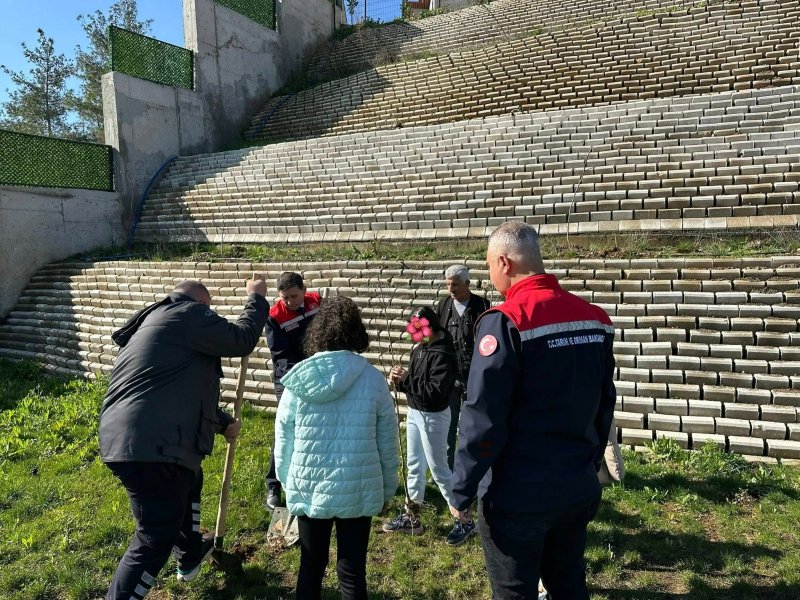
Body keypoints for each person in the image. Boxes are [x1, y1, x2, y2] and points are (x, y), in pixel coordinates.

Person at [449, 221, 616, 599]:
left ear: (504, 263)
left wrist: (461, 489)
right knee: (569, 584)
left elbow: (483, 419)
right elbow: (605, 403)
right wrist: (589, 463)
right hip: (576, 484)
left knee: (514, 591)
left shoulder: (505, 321)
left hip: (518, 494)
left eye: (489, 266)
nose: (490, 276)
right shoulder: (594, 317)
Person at [99, 278, 268, 599]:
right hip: (153, 446)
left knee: (188, 477)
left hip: (129, 439)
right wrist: (256, 300)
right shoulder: (190, 314)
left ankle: (190, 551)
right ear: (201, 303)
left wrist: (222, 423)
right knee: (154, 537)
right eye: (210, 309)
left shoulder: (156, 323)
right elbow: (242, 339)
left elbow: (176, 390)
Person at [274, 296, 399, 600]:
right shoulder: (372, 379)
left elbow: (283, 440)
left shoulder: (298, 382)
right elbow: (388, 440)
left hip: (309, 485)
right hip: (357, 484)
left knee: (311, 564)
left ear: (318, 332)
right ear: (357, 332)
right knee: (353, 570)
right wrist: (386, 489)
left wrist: (287, 483)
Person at [382, 306, 471, 546]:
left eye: (421, 330)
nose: (418, 335)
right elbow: (416, 381)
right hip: (415, 412)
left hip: (434, 416)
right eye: (415, 330)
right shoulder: (421, 347)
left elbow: (434, 391)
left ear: (432, 327)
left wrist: (406, 380)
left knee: (440, 470)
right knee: (414, 465)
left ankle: (464, 519)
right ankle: (411, 516)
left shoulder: (444, 353)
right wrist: (400, 380)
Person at [264, 271, 321, 510]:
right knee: (287, 429)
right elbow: (280, 355)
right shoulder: (275, 316)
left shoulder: (317, 302)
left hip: (319, 372)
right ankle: (273, 485)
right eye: (285, 297)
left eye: (294, 296)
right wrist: (302, 372)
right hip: (289, 378)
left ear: (304, 290)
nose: (289, 302)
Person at [434, 264, 490, 470]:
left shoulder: (482, 305)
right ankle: (447, 469)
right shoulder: (443, 305)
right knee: (448, 425)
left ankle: (470, 467)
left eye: (455, 284)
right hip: (449, 377)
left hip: (473, 377)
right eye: (448, 284)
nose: (451, 289)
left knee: (471, 426)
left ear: (468, 283)